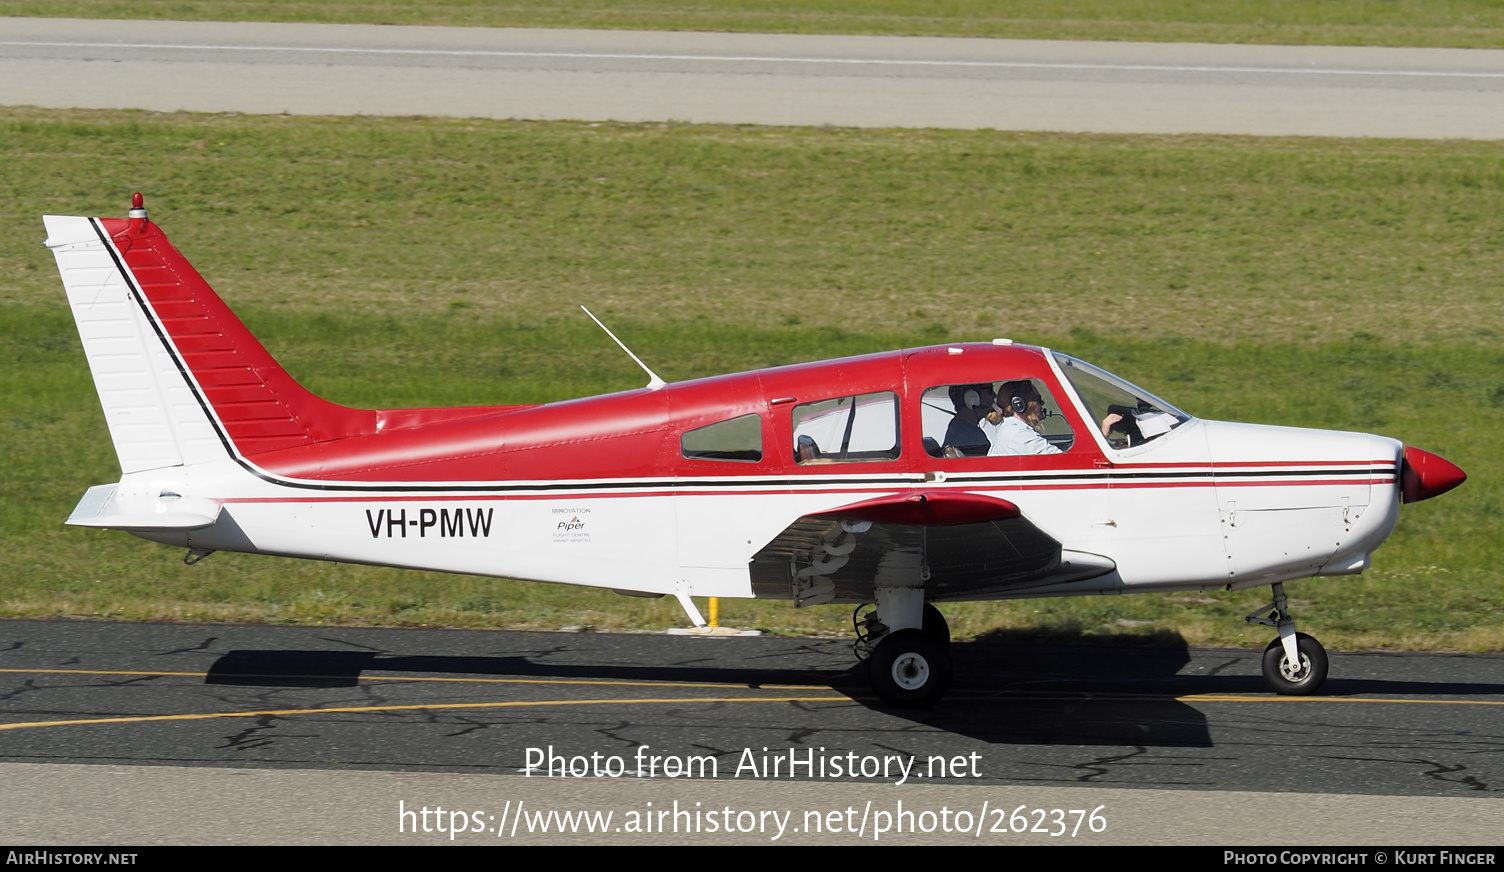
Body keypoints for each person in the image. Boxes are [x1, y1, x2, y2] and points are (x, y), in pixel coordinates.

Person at [987, 380, 1062, 456]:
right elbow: (1061, 459)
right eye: (1037, 399)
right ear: (1019, 404)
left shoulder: (1011, 429)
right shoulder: (1018, 434)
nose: (1042, 403)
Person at [942, 383, 995, 456]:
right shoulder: (972, 437)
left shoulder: (957, 427)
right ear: (972, 397)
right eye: (989, 391)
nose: (994, 395)